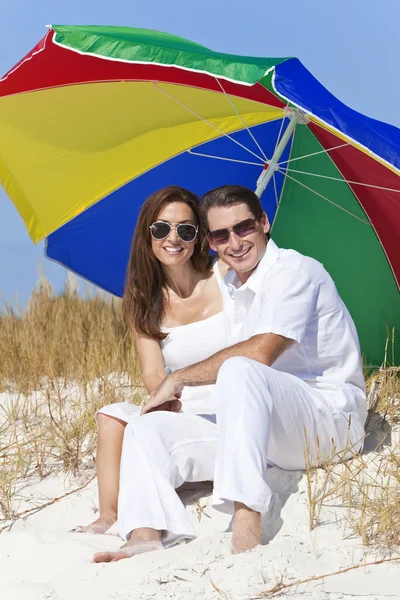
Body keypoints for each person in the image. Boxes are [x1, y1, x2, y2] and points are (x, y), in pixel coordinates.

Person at [94, 185, 367, 563]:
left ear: (264, 223)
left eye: (243, 228)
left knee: (241, 368)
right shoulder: (235, 285)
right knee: (146, 429)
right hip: (261, 429)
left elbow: (261, 352)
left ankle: (246, 517)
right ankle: (144, 533)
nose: (235, 242)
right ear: (211, 241)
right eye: (221, 234)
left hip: (327, 420)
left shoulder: (294, 270)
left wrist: (178, 378)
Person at [74, 186, 228, 535]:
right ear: (148, 233)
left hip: (226, 411)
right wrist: (164, 399)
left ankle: (150, 526)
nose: (173, 239)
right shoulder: (143, 300)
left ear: (200, 237)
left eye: (185, 230)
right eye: (161, 228)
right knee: (111, 414)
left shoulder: (225, 280)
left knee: (149, 432)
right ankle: (109, 515)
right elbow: (153, 371)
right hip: (179, 405)